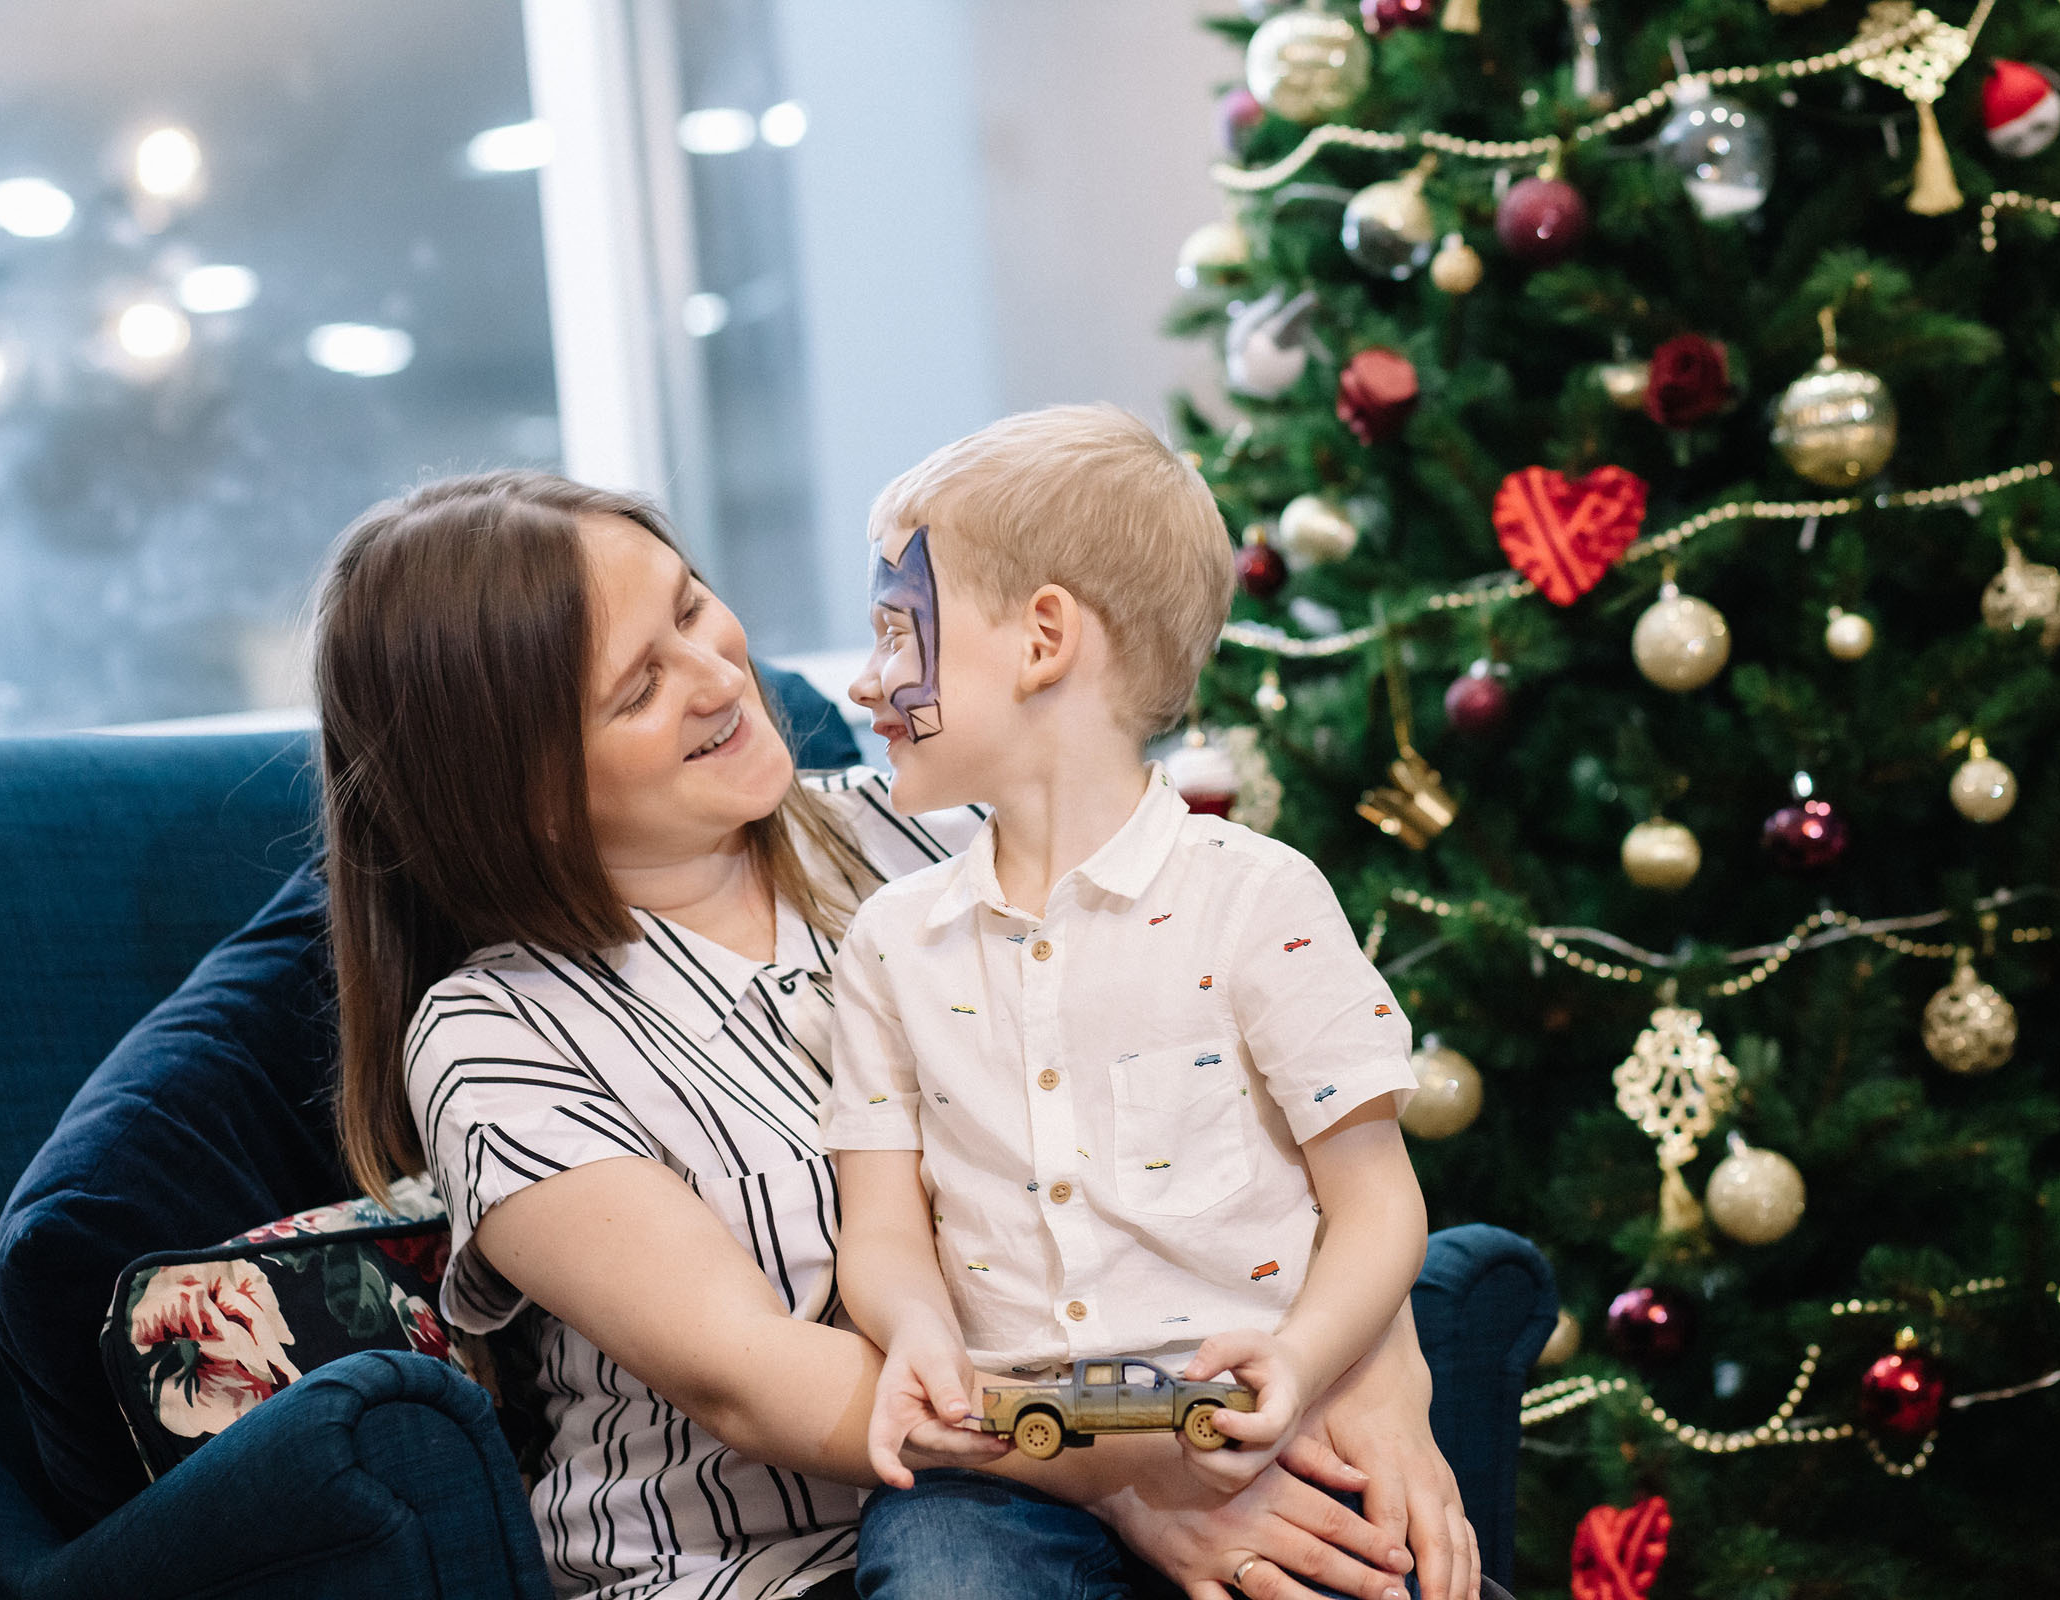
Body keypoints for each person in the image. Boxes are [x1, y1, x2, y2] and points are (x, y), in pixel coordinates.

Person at [315, 468, 1483, 1600]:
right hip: (774, 1562)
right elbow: (755, 1382)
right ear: (525, 791)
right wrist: (1125, 1470)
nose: (719, 673)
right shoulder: (494, 1037)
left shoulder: (928, 831)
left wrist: (1382, 1377)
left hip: (1149, 1448)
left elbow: (1288, 1141)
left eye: (689, 606)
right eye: (637, 690)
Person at [825, 406, 1433, 1600]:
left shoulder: (1260, 899)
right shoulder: (891, 941)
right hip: (1002, 1468)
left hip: (1264, 1438)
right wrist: (915, 1328)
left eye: (901, 633)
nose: (865, 681)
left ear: (1044, 638)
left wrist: (1302, 1360)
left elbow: (1376, 1201)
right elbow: (883, 1223)